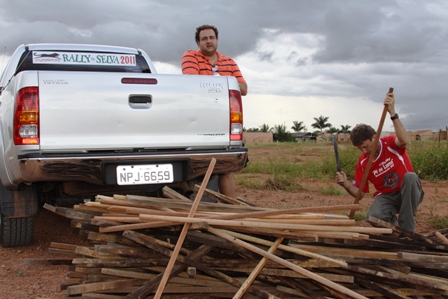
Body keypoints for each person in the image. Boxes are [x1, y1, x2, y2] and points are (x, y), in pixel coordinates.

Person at [336, 92, 424, 232]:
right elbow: (360, 193)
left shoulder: (389, 144)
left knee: (411, 177)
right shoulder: (363, 162)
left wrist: (392, 112)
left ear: (375, 137)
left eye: (365, 146)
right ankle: (396, 232)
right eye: (360, 149)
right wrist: (346, 184)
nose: (364, 151)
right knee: (374, 216)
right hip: (387, 196)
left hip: (407, 192)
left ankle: (407, 230)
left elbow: (404, 140)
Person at [181, 24, 248, 198]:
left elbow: (244, 88)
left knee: (226, 167)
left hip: (225, 122)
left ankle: (229, 213)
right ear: (198, 42)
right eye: (204, 38)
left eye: (211, 37)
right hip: (199, 121)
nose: (208, 41)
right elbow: (192, 84)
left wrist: (212, 82)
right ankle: (202, 209)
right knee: (199, 167)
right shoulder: (190, 56)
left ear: (217, 39)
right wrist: (225, 82)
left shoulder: (229, 61)